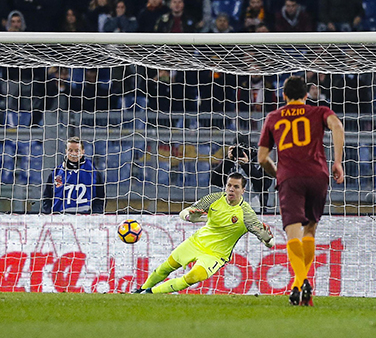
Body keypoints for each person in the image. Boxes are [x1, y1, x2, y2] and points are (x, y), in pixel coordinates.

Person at [258, 75, 344, 306]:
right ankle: (301, 284)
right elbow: (337, 125)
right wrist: (337, 162)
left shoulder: (274, 117)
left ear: (283, 96)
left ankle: (300, 281)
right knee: (310, 232)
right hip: (318, 176)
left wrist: (278, 174)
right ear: (306, 95)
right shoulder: (319, 112)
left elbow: (262, 158)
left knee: (293, 233)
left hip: (290, 178)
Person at [133, 172, 274, 294]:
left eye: (236, 187)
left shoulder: (247, 213)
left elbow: (267, 240)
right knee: (166, 267)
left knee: (193, 277)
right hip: (196, 242)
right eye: (229, 185)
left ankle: (150, 293)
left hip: (216, 255)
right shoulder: (214, 198)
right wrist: (190, 217)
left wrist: (268, 240)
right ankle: (141, 290)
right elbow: (185, 212)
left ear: (243, 190)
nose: (231, 189)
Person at [211, 134, 274, 213]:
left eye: (243, 149)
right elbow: (214, 181)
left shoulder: (260, 161)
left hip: (255, 211)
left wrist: (246, 165)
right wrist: (227, 161)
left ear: (250, 149)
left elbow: (264, 185)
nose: (240, 152)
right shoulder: (229, 162)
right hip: (230, 211)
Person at [42, 137, 105, 214]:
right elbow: (47, 197)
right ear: (66, 151)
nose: (73, 154)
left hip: (85, 218)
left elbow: (101, 198)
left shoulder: (93, 172)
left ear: (83, 152)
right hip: (60, 219)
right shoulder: (57, 173)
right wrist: (50, 213)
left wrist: (95, 213)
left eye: (77, 151)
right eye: (70, 150)